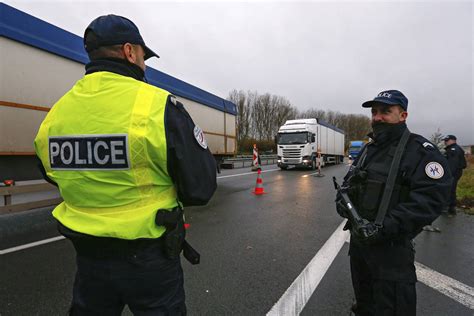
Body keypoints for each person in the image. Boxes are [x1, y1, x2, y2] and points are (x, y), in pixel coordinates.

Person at [34, 14, 217, 315]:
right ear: (130, 52)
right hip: (149, 257)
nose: (144, 65)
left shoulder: (57, 113)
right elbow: (200, 187)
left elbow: (51, 172)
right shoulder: (157, 105)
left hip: (88, 256)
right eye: (144, 57)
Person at [335, 90, 452, 316]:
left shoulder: (420, 151)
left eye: (386, 112)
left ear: (403, 115)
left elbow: (430, 200)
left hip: (392, 253)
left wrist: (385, 227)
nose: (378, 117)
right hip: (359, 249)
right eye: (375, 112)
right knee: (364, 306)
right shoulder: (369, 149)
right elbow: (349, 182)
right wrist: (342, 202)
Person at [443, 134, 467, 216]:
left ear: (453, 140)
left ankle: (448, 208)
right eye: (445, 140)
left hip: (453, 173)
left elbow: (452, 165)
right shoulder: (453, 149)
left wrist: (448, 175)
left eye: (447, 140)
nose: (445, 142)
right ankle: (451, 208)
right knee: (451, 189)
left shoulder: (454, 150)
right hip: (454, 173)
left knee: (449, 189)